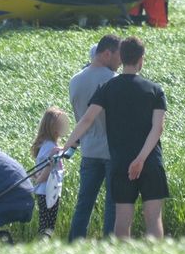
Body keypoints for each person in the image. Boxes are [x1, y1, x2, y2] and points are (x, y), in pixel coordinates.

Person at [65, 37, 169, 240]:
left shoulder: (108, 88)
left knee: (122, 220)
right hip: (150, 161)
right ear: (141, 59)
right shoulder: (155, 90)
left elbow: (86, 120)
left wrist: (67, 146)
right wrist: (140, 159)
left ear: (121, 57)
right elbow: (158, 128)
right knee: (153, 218)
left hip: (121, 162)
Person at [67, 35, 121, 241]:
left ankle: (74, 243)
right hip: (112, 150)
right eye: (118, 56)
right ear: (107, 54)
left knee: (84, 202)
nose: (120, 61)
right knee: (112, 204)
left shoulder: (75, 80)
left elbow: (80, 119)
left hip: (88, 149)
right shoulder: (114, 81)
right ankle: (108, 245)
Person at [30, 107, 69, 239]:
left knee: (44, 224)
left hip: (44, 191)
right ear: (53, 127)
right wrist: (39, 178)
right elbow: (45, 172)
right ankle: (42, 247)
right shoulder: (51, 147)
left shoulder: (46, 145)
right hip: (48, 191)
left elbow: (38, 169)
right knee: (48, 226)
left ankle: (42, 245)